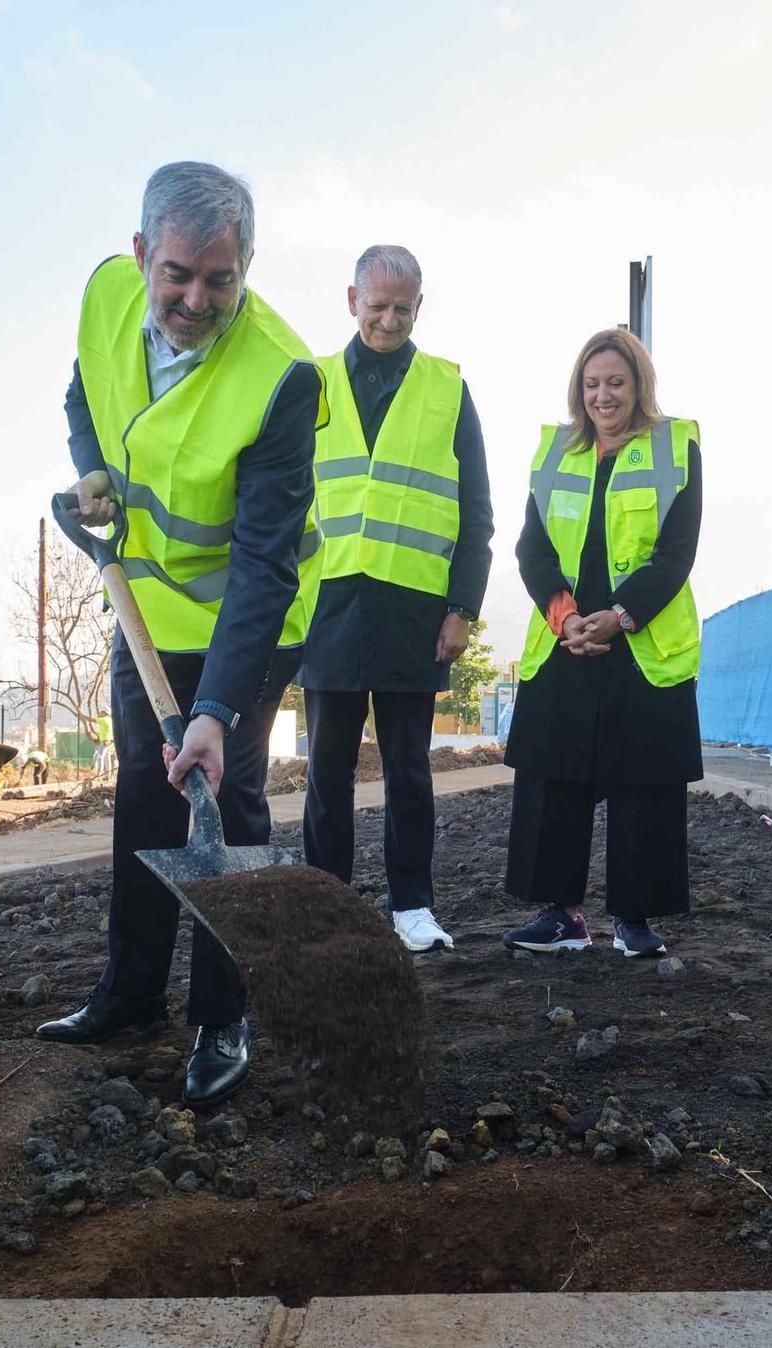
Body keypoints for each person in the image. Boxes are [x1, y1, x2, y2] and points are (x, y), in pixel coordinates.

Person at [36, 161, 326, 1112]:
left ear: (248, 267)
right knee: (145, 793)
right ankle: (127, 995)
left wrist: (213, 710)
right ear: (141, 256)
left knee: (226, 793)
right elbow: (83, 395)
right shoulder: (109, 298)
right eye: (178, 275)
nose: (196, 299)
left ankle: (222, 1014)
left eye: (221, 279)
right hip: (147, 609)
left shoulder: (280, 378)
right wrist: (91, 472)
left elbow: (263, 565)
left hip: (253, 619)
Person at [298, 245, 494, 953]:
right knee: (327, 772)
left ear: (419, 307)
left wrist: (462, 607)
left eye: (401, 308)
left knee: (409, 770)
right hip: (328, 612)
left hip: (416, 614)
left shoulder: (447, 388)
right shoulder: (310, 383)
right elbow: (282, 497)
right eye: (375, 306)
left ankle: (412, 906)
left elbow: (476, 510)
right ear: (352, 300)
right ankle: (328, 906)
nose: (387, 320)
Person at [502, 329, 701, 958]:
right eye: (591, 384)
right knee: (552, 776)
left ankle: (634, 920)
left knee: (645, 780)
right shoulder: (555, 453)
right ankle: (559, 916)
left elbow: (677, 553)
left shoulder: (675, 446)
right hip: (566, 638)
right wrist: (565, 619)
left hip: (640, 639)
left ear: (639, 383)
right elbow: (531, 548)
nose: (603, 395)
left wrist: (620, 615)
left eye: (615, 382)